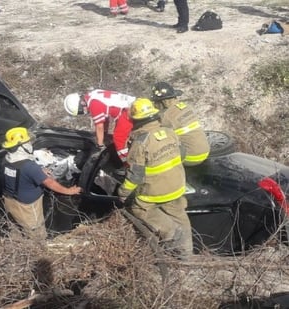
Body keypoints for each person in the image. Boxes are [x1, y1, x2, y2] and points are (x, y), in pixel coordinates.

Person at [117, 98, 193, 259]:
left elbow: (135, 177)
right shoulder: (170, 132)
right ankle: (186, 256)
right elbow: (183, 154)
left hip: (155, 192)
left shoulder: (140, 142)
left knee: (139, 208)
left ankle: (172, 233)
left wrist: (123, 193)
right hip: (178, 186)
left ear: (136, 121)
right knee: (179, 214)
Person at [1, 127, 82, 240]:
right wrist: (69, 191)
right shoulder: (30, 167)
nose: (29, 144)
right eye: (27, 142)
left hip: (10, 202)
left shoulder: (7, 159)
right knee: (36, 235)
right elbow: (50, 183)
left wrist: (39, 171)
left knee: (16, 228)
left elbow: (21, 173)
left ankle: (18, 244)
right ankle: (35, 251)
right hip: (27, 208)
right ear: (21, 146)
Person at [64, 89, 136, 165]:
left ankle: (128, 165)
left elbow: (99, 126)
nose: (84, 112)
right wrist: (105, 134)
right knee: (124, 137)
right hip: (131, 105)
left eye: (81, 111)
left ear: (81, 103)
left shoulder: (93, 104)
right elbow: (105, 118)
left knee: (119, 138)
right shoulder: (94, 95)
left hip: (127, 111)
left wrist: (100, 145)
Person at [151, 82, 210, 166]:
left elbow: (152, 132)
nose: (155, 104)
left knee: (158, 146)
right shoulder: (185, 107)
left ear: (163, 102)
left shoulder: (166, 116)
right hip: (205, 151)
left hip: (190, 157)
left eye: (156, 102)